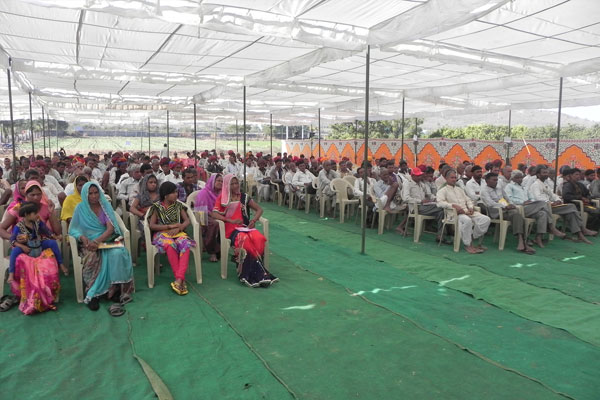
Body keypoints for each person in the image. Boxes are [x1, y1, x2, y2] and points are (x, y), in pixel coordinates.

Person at [69, 182, 134, 314]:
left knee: (118, 253)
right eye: (90, 193)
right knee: (92, 257)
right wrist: (82, 238)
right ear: (85, 195)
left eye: (96, 192)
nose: (94, 196)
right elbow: (73, 229)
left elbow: (110, 229)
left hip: (105, 240)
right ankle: (94, 294)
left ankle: (115, 290)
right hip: (88, 243)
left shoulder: (105, 206)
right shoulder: (80, 208)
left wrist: (97, 241)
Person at [211, 174, 277, 288]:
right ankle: (251, 274)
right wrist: (229, 220)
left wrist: (254, 220)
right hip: (231, 230)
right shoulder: (223, 197)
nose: (235, 186)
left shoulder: (244, 197)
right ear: (227, 185)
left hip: (245, 227)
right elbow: (214, 214)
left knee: (259, 238)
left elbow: (259, 209)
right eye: (232, 184)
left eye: (236, 183)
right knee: (244, 240)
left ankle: (257, 271)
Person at [1, 202, 66, 314]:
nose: (37, 215)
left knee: (52, 243)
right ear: (27, 215)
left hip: (38, 245)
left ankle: (61, 264)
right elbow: (12, 240)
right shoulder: (18, 227)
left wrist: (55, 236)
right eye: (35, 213)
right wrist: (21, 245)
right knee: (15, 251)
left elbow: (47, 232)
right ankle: (11, 274)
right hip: (26, 247)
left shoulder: (38, 222)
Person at [148, 181, 195, 296]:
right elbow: (152, 225)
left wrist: (179, 228)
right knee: (170, 245)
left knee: (186, 244)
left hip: (178, 233)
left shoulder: (178, 206)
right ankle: (180, 279)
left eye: (176, 192)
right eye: (173, 192)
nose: (176, 194)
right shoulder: (157, 207)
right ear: (165, 195)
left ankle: (179, 279)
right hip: (162, 233)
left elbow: (187, 221)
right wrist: (169, 226)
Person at [529, 165, 596, 243]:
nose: (546, 174)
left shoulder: (545, 184)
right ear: (538, 174)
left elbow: (553, 195)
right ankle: (583, 229)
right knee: (571, 206)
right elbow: (538, 198)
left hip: (552, 206)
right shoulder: (536, 185)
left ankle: (579, 234)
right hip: (545, 207)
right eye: (544, 173)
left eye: (547, 172)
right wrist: (552, 203)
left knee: (571, 213)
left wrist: (558, 200)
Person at [504, 170, 565, 248]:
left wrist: (531, 201)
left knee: (543, 213)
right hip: (519, 208)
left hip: (530, 207)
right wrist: (523, 202)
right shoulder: (509, 186)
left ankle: (538, 237)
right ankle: (551, 226)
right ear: (512, 178)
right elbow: (509, 199)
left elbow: (532, 197)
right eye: (517, 177)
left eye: (521, 177)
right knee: (544, 203)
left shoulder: (524, 187)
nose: (519, 179)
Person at [436, 169, 491, 254]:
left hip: (467, 212)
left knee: (486, 219)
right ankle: (467, 245)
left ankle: (471, 238)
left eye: (455, 178)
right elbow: (439, 203)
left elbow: (468, 199)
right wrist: (453, 206)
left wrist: (471, 207)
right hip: (454, 214)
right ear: (446, 179)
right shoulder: (442, 190)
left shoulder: (459, 189)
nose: (454, 179)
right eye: (452, 178)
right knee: (467, 220)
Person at [481, 172, 535, 254]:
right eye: (494, 180)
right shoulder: (484, 190)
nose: (496, 182)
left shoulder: (499, 187)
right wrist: (505, 206)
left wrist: (510, 204)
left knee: (518, 215)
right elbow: (490, 203)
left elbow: (507, 198)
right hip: (496, 212)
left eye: (496, 180)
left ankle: (522, 241)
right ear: (487, 181)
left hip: (507, 210)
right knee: (517, 215)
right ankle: (523, 242)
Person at [401, 167, 445, 241]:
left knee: (441, 212)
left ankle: (440, 235)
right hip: (415, 208)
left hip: (425, 206)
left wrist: (436, 199)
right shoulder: (407, 183)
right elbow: (405, 198)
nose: (420, 177)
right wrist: (420, 201)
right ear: (412, 176)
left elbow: (429, 194)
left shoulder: (421, 184)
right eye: (417, 176)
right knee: (441, 207)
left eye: (420, 175)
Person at [192, 174, 223, 263]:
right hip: (203, 215)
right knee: (214, 224)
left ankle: (223, 247)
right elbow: (201, 211)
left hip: (217, 214)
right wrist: (213, 215)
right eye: (218, 181)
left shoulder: (221, 193)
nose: (220, 183)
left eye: (222, 181)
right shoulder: (204, 192)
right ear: (212, 181)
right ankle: (212, 251)